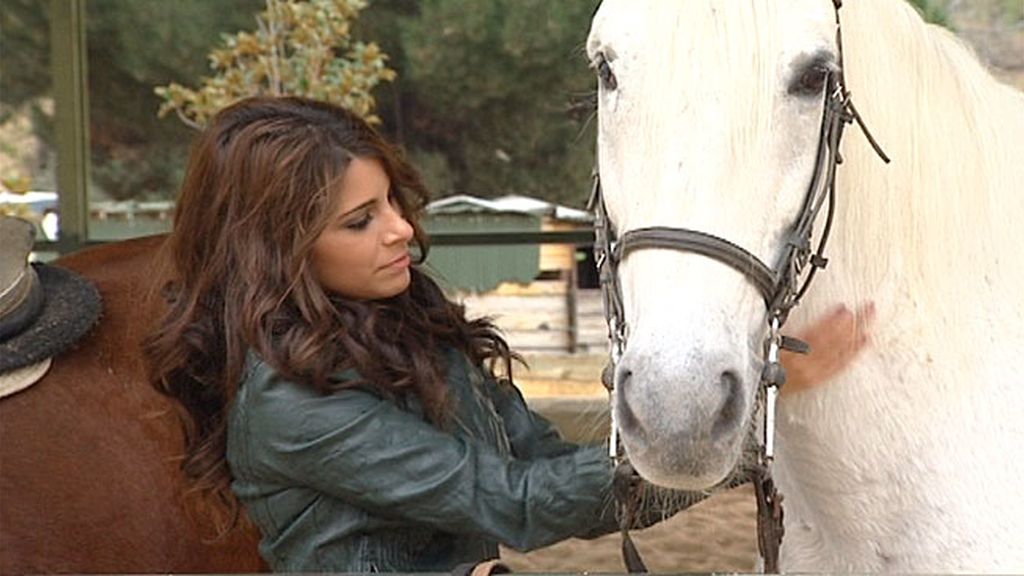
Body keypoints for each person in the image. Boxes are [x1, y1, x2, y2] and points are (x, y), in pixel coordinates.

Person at [144, 96, 873, 572]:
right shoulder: (288, 407)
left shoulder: (413, 334)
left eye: (391, 200)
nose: (401, 228)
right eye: (359, 221)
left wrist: (694, 433)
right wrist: (735, 433)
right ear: (279, 248)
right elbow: (515, 501)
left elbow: (548, 466)